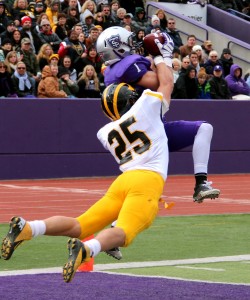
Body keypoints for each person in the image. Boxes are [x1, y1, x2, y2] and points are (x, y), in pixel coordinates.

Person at [1, 34, 173, 284]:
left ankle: (29, 228)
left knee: (80, 224)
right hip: (147, 181)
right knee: (123, 232)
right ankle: (88, 250)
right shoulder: (146, 105)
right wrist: (162, 55)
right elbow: (166, 83)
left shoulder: (106, 131)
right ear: (131, 98)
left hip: (123, 182)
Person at [97, 26, 220, 260]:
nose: (132, 44)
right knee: (149, 186)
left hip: (144, 129)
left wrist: (154, 58)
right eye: (128, 42)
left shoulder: (114, 70)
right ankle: (200, 184)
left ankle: (201, 184)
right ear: (118, 46)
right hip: (147, 126)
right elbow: (163, 82)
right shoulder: (126, 65)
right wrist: (161, 56)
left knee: (203, 129)